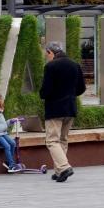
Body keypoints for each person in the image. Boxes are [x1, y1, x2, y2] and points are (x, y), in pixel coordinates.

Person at [40, 41, 86, 183]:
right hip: (70, 107)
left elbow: (45, 90)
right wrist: (70, 95)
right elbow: (82, 88)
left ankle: (64, 167)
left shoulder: (51, 66)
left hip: (54, 108)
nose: (46, 57)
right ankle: (59, 171)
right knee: (63, 140)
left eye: (46, 54)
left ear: (50, 52)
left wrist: (43, 94)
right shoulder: (74, 64)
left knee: (52, 140)